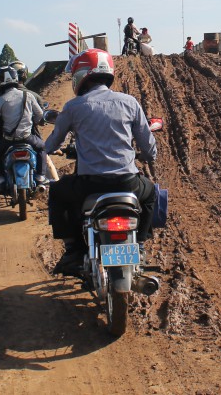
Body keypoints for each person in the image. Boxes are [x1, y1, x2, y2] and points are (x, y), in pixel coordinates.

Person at [45, 48, 157, 275]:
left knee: (57, 193)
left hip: (89, 185)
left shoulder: (73, 107)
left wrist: (50, 150)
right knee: (152, 193)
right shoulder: (130, 102)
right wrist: (146, 156)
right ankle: (141, 244)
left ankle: (73, 250)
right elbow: (148, 147)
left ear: (81, 75)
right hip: (128, 182)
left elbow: (52, 144)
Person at [0, 64, 48, 220]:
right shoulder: (28, 96)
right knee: (43, 148)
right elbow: (40, 117)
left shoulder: (0, 101)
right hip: (28, 139)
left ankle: (1, 178)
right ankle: (41, 177)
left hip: (8, 141)